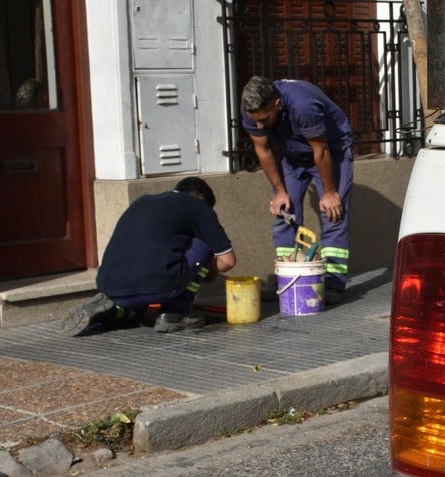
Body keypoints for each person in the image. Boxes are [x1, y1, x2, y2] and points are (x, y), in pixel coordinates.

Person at [60, 176, 236, 336]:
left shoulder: (142, 202)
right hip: (157, 288)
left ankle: (117, 310)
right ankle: (175, 314)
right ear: (201, 199)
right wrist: (206, 269)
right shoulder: (199, 208)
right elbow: (228, 261)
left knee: (141, 293)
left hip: (111, 286)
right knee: (204, 242)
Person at [240, 76, 353, 305]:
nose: (259, 125)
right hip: (293, 156)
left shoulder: (303, 105)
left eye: (264, 119)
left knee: (333, 213)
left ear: (277, 104)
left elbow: (320, 150)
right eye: (255, 121)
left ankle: (332, 284)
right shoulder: (250, 109)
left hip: (331, 150)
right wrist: (279, 191)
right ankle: (288, 275)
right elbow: (263, 150)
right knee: (285, 212)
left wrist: (330, 192)